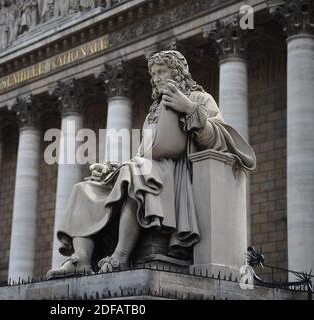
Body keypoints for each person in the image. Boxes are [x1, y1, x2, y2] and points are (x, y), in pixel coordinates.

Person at [47, 50, 256, 279]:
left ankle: (120, 256)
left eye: (161, 71)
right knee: (85, 189)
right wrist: (111, 169)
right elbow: (143, 151)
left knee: (134, 172)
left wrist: (188, 108)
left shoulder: (198, 99)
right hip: (148, 168)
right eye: (153, 73)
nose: (156, 78)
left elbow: (219, 140)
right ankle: (81, 260)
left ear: (177, 73)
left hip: (176, 172)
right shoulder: (154, 110)